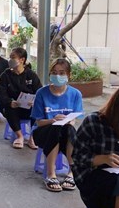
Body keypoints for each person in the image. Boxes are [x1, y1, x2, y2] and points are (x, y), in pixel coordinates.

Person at [31, 59, 83, 192]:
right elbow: (39, 122)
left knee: (69, 129)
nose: (58, 76)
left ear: (68, 75)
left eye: (61, 72)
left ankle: (71, 173)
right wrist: (53, 120)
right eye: (54, 72)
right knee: (56, 128)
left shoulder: (75, 94)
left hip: (66, 133)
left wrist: (66, 121)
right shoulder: (42, 93)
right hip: (43, 132)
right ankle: (51, 174)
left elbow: (74, 120)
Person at [0, 47, 42, 149]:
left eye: (13, 57)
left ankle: (32, 138)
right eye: (10, 57)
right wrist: (9, 102)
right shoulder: (6, 75)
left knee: (38, 109)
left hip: (28, 108)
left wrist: (34, 101)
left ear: (22, 60)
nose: (10, 60)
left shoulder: (31, 75)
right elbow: (0, 94)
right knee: (9, 108)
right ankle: (20, 136)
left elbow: (40, 92)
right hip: (13, 108)